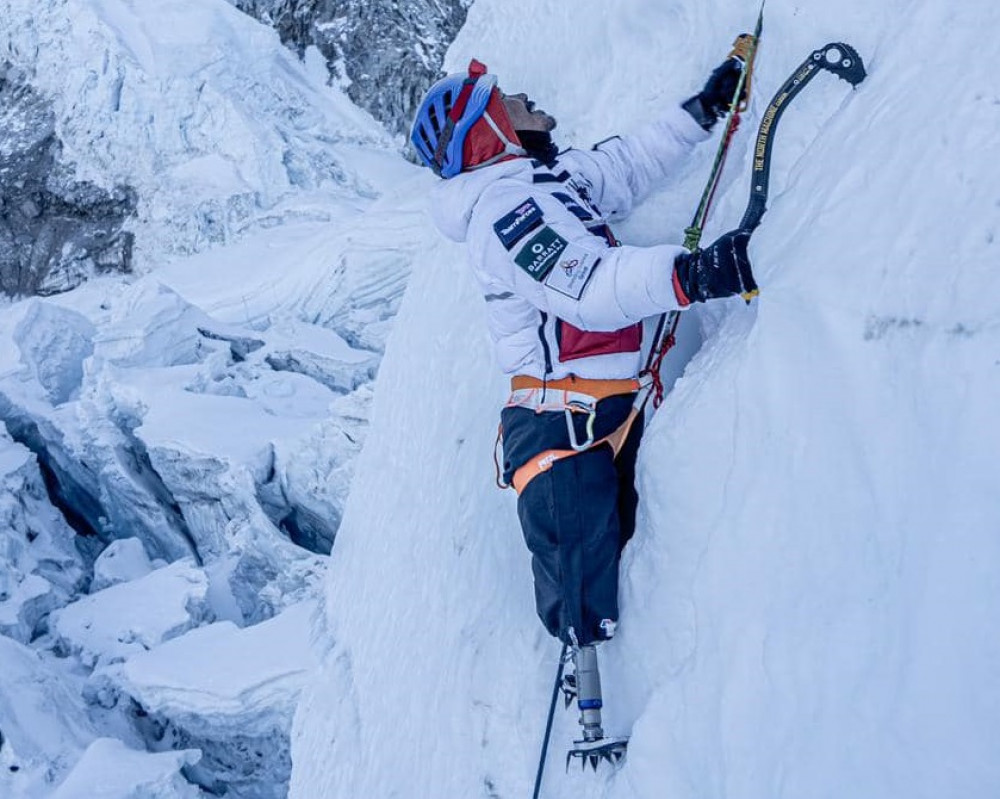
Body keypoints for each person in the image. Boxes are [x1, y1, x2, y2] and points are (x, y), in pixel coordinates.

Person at [410, 52, 757, 756]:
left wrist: (702, 108)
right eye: (506, 100)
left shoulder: (546, 181)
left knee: (605, 553)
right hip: (558, 432)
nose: (524, 98)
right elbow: (592, 287)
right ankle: (591, 715)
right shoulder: (504, 215)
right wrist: (695, 275)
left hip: (590, 414)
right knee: (582, 584)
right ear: (487, 136)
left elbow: (624, 166)